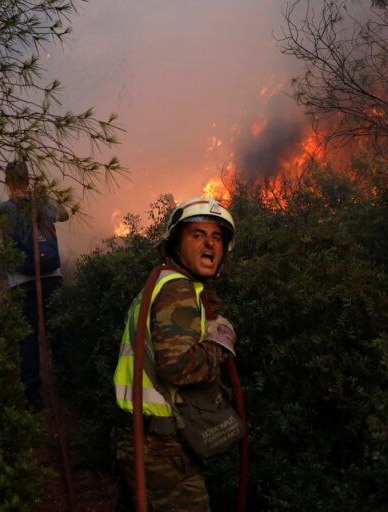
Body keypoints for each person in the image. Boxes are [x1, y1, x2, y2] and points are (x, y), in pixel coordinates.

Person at [113, 197, 238, 511]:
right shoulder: (177, 290)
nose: (209, 244)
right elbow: (177, 366)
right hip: (159, 448)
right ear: (175, 245)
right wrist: (218, 343)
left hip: (143, 438)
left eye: (217, 237)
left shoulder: (165, 283)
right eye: (197, 235)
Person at [0, 161, 69, 411]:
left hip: (21, 282)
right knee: (57, 330)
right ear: (27, 178)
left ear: (8, 181)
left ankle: (33, 395)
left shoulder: (2, 209)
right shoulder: (44, 203)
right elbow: (66, 214)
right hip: (52, 277)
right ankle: (67, 383)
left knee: (27, 337)